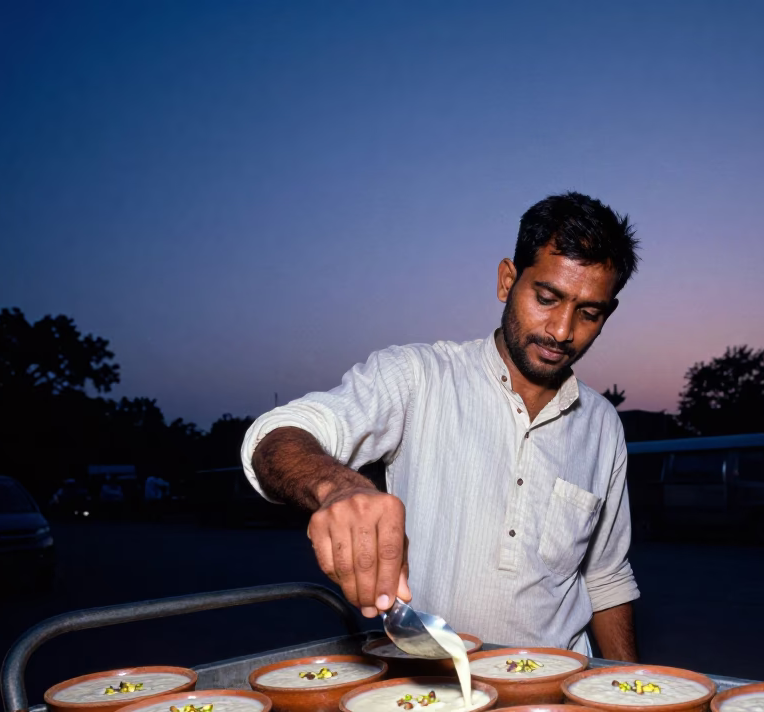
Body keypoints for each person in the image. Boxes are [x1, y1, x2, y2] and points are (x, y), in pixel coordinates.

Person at [242, 192, 640, 659]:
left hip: (558, 685)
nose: (561, 330)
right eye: (547, 298)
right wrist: (337, 487)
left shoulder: (602, 424)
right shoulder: (418, 377)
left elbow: (606, 578)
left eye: (589, 313)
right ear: (507, 280)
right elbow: (275, 436)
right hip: (434, 681)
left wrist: (625, 688)